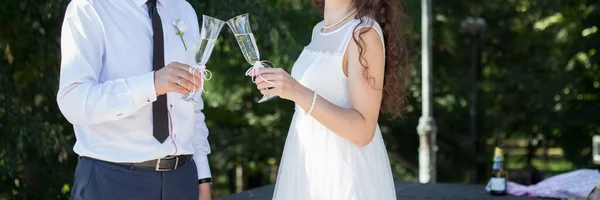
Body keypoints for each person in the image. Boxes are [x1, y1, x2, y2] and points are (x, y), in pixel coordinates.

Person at [251, 0, 409, 199]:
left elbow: (363, 131)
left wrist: (296, 91)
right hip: (307, 165)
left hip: (342, 173)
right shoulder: (320, 30)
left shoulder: (363, 33)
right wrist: (281, 86)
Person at [56, 0, 212, 199]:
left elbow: (194, 105)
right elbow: (73, 101)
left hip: (183, 181)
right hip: (113, 182)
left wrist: (202, 177)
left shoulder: (183, 8)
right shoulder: (88, 7)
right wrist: (151, 85)